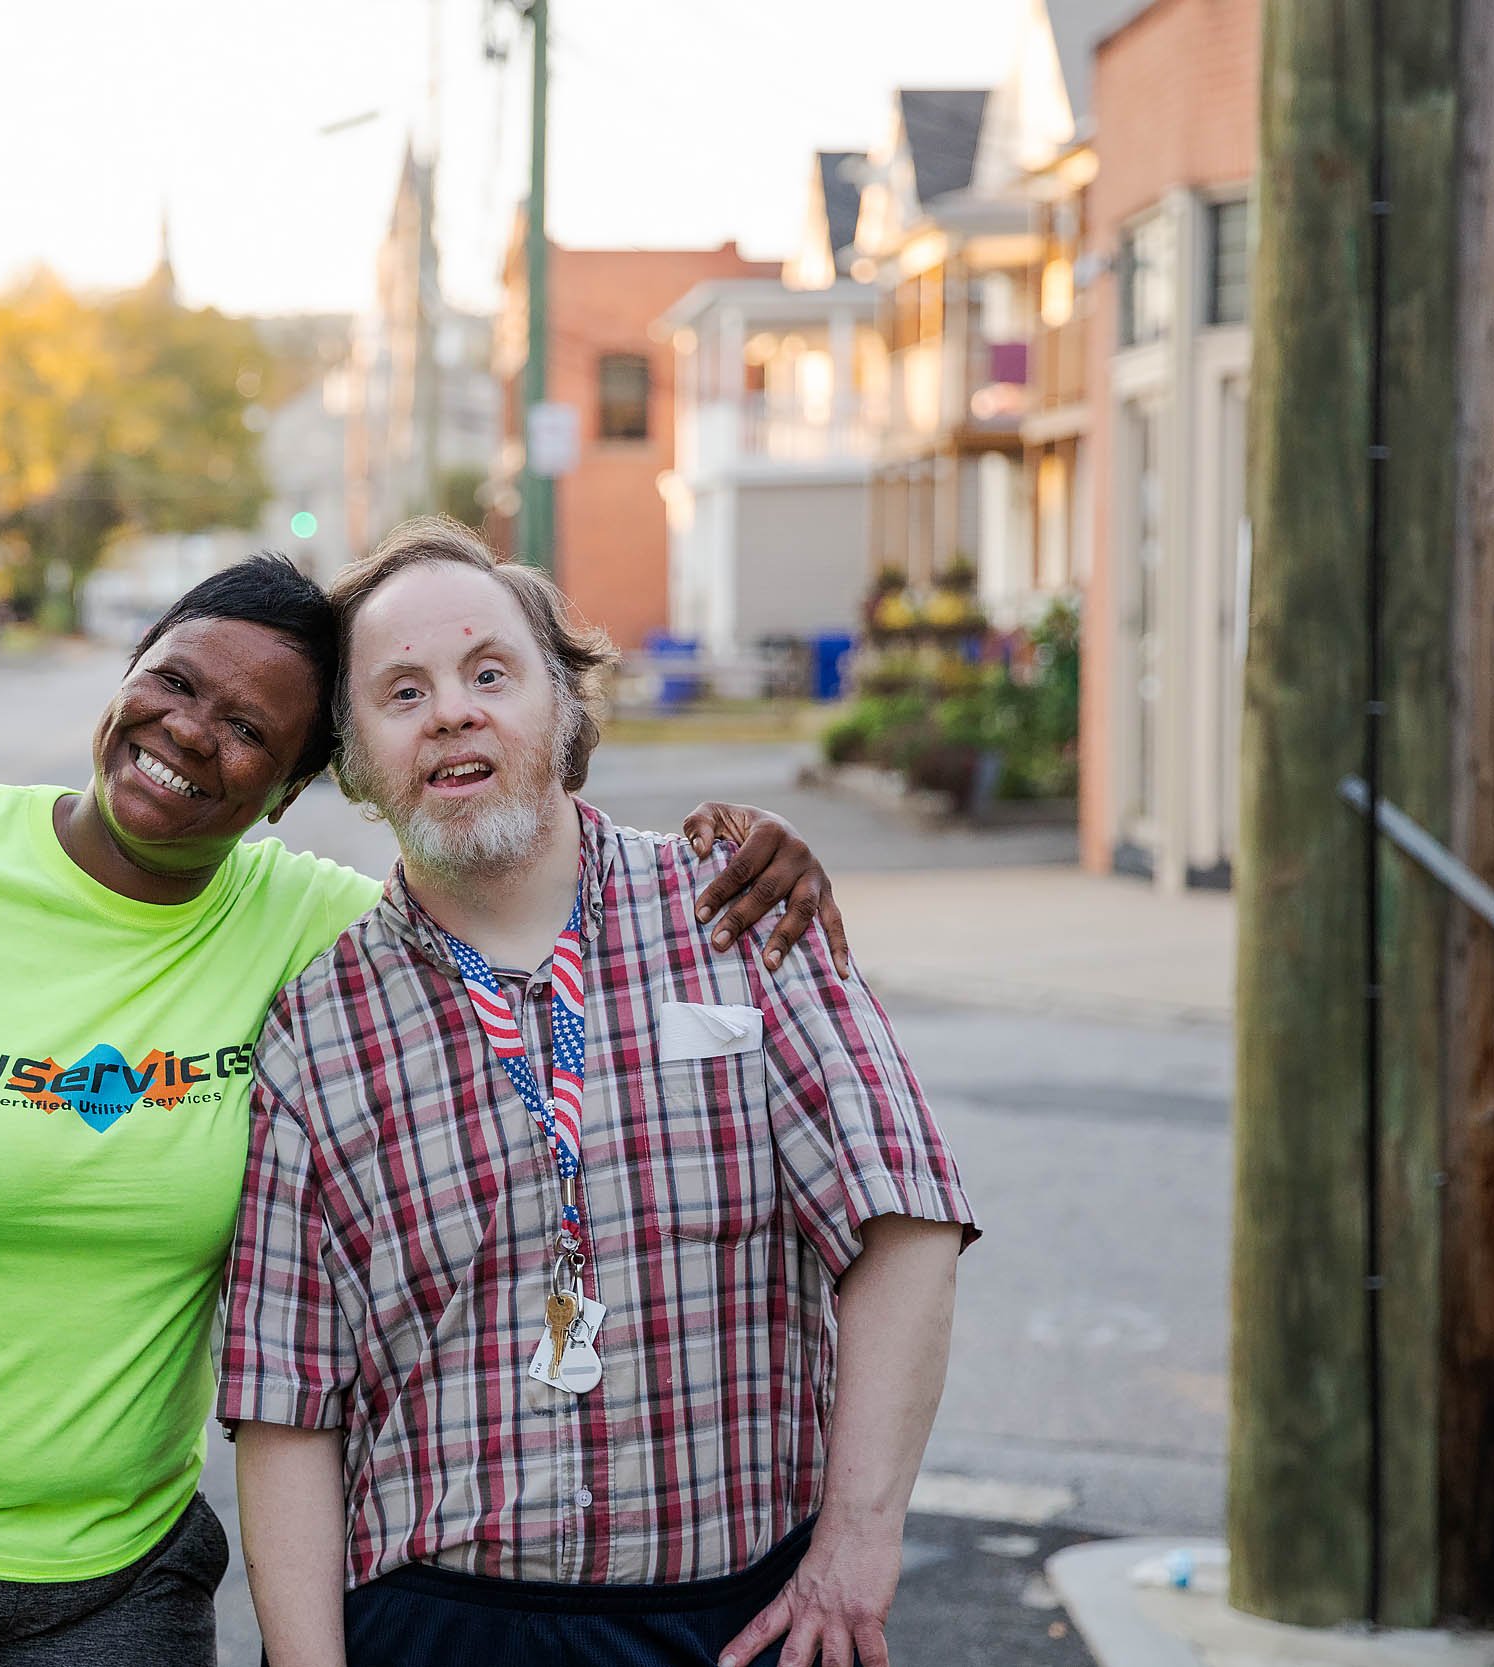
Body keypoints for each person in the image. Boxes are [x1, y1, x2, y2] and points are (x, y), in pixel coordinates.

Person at [0, 551, 854, 1667]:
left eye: (249, 727)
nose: (191, 732)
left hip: (112, 1578)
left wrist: (719, 857)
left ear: (291, 790)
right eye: (174, 682)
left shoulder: (324, 934)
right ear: (126, 678)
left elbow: (539, 893)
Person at [222, 521, 979, 1667]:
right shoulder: (317, 1030)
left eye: (490, 672)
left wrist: (858, 1543)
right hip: (440, 1620)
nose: (451, 711)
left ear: (565, 710)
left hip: (745, 1612)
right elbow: (290, 1403)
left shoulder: (737, 916)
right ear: (358, 762)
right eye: (401, 691)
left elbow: (905, 1217)